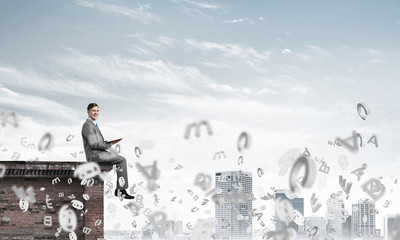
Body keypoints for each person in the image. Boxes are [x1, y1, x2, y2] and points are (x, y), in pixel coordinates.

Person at [81, 103, 134, 199]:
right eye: (93, 111)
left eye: (97, 111)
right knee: (121, 160)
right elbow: (93, 144)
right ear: (88, 112)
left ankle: (120, 189)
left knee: (119, 159)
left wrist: (110, 142)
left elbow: (97, 142)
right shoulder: (88, 125)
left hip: (98, 153)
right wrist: (109, 144)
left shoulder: (93, 125)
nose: (96, 113)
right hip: (94, 155)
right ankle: (120, 190)